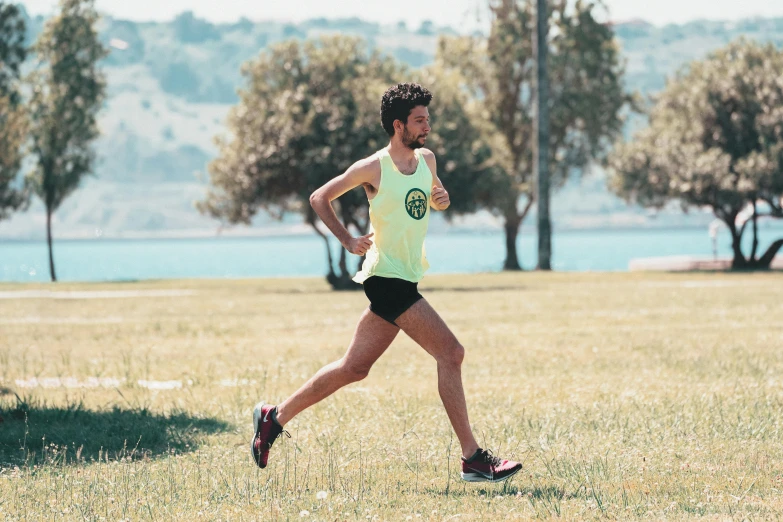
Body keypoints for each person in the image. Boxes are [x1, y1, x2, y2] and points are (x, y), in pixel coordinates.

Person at [251, 83, 522, 483]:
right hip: (386, 278)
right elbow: (319, 197)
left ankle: (274, 417)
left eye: (427, 119)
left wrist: (440, 197)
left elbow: (431, 198)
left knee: (354, 368)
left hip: (405, 274)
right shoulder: (373, 167)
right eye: (419, 120)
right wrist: (347, 239)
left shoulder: (427, 159)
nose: (427, 126)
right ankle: (473, 459)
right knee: (452, 353)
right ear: (399, 125)